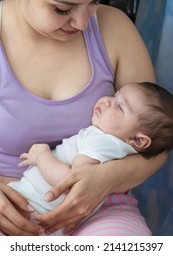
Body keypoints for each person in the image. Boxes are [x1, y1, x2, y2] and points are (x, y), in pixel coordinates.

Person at [0, 0, 167, 236]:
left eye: (94, 0)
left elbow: (155, 145)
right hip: (10, 207)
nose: (82, 23)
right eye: (62, 9)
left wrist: (105, 179)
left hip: (98, 208)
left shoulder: (115, 28)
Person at [8, 81, 173, 235]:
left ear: (139, 140)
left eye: (120, 107)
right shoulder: (119, 149)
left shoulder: (101, 140)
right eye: (115, 95)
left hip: (31, 207)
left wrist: (42, 156)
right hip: (44, 216)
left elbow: (71, 184)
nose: (108, 101)